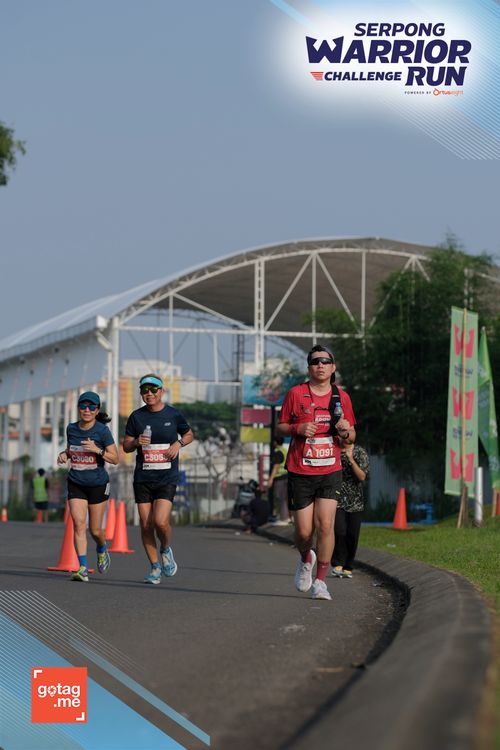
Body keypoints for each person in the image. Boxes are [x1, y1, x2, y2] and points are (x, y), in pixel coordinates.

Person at [277, 344, 356, 601]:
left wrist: (345, 431)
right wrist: (297, 429)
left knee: (326, 525)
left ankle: (321, 581)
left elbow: (352, 435)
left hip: (330, 469)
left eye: (325, 361)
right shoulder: (296, 394)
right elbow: (280, 427)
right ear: (309, 367)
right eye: (315, 362)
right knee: (303, 532)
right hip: (300, 469)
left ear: (333, 368)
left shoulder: (342, 397)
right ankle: (305, 558)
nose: (320, 365)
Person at [122, 374, 194, 585]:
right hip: (143, 477)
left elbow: (189, 434)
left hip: (166, 476)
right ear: (141, 393)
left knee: (160, 522)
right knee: (146, 526)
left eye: (154, 390)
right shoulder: (136, 417)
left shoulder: (173, 414)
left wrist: (178, 444)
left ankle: (165, 549)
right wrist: (136, 442)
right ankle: (154, 567)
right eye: (145, 390)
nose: (149, 393)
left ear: (162, 391)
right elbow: (126, 446)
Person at [57, 391, 119, 582]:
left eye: (91, 407)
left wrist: (97, 450)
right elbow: (71, 450)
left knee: (96, 530)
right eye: (83, 406)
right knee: (78, 524)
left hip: (98, 484)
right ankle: (83, 568)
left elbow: (115, 458)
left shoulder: (102, 431)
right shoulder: (71, 428)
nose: (87, 410)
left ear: (97, 410)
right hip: (76, 482)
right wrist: (64, 454)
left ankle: (101, 547)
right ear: (78, 408)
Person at [331, 439, 369, 578]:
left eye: (347, 431)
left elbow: (362, 476)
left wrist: (351, 459)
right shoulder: (333, 450)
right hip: (336, 499)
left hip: (355, 502)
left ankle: (348, 565)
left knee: (352, 535)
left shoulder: (360, 452)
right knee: (339, 531)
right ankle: (337, 563)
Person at [267, 437, 290, 525]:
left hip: (280, 478)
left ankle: (284, 518)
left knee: (280, 497)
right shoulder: (285, 450)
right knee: (284, 498)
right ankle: (285, 517)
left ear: (276, 442)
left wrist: (271, 479)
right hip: (286, 476)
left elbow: (276, 466)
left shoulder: (278, 452)